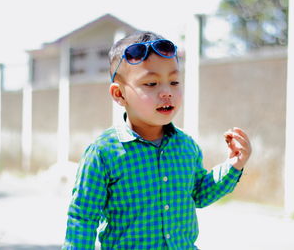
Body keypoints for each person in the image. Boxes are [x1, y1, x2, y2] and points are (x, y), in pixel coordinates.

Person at [63, 31, 252, 249]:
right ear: (119, 94)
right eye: (151, 84)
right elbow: (82, 219)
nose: (166, 92)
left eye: (174, 81)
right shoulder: (103, 153)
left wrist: (234, 165)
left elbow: (200, 193)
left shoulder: (186, 147)